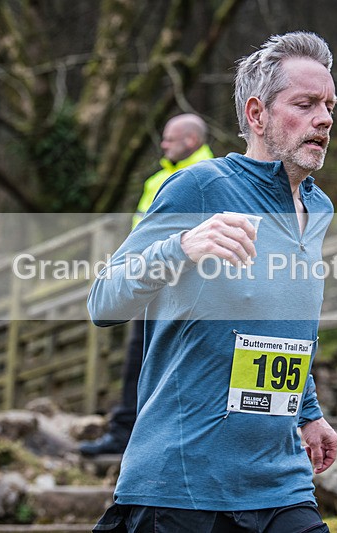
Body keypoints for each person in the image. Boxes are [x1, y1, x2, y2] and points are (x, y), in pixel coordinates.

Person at [87, 31, 337, 533]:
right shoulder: (201, 187)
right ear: (257, 114)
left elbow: (283, 321)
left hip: (280, 479)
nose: (325, 119)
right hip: (183, 481)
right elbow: (104, 301)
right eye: (306, 104)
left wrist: (308, 411)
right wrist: (180, 248)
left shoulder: (319, 207)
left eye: (330, 105)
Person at [79, 114, 214, 456]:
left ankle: (157, 435)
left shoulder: (210, 176)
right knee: (136, 357)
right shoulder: (157, 179)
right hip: (150, 277)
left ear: (192, 141)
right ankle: (125, 431)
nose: (163, 144)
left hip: (186, 287)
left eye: (170, 138)